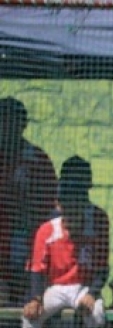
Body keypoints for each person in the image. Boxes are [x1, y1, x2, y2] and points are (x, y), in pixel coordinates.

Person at [21, 155, 110, 328]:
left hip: (84, 287)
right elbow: (37, 268)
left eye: (79, 191)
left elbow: (102, 266)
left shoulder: (98, 218)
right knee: (31, 319)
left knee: (95, 315)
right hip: (53, 287)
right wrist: (36, 298)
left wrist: (92, 293)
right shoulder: (50, 222)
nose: (72, 203)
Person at [0, 97, 57, 305]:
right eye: (3, 120)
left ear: (23, 124)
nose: (6, 126)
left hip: (24, 239)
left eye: (12, 120)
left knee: (21, 296)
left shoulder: (36, 159)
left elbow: (48, 202)